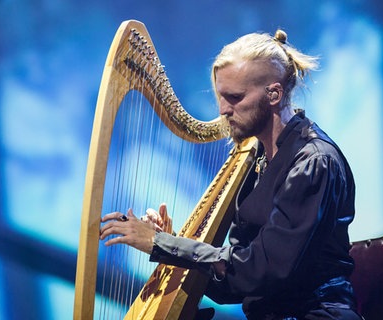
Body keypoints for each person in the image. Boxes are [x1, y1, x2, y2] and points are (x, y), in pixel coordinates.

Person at [100, 28, 362, 320]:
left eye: (235, 98)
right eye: (221, 97)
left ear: (274, 94)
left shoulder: (313, 163)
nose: (223, 110)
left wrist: (164, 245)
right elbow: (235, 285)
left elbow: (258, 270)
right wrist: (171, 242)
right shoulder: (256, 160)